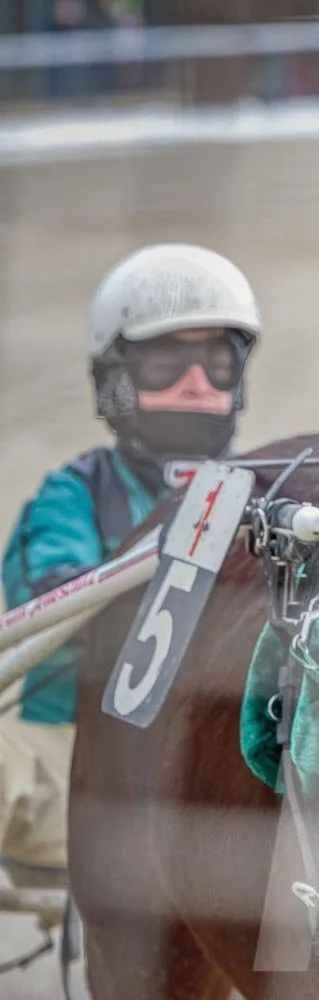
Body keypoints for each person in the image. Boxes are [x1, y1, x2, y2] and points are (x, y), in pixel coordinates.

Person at [0, 243, 260, 885]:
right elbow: (57, 598)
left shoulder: (270, 492)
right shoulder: (72, 495)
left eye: (217, 360)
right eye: (167, 360)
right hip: (69, 762)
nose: (197, 383)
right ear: (117, 378)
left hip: (228, 775)